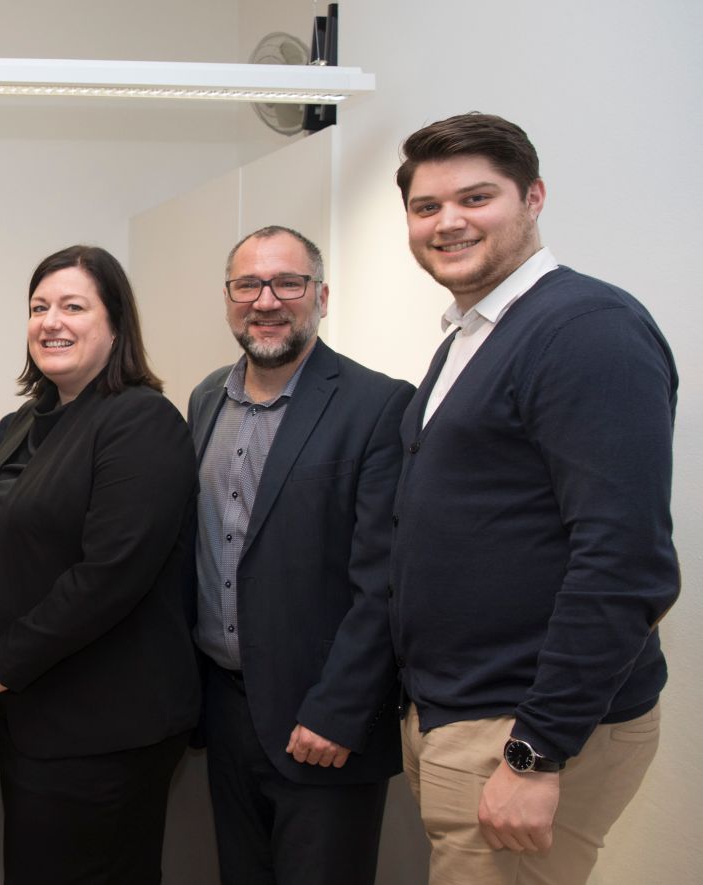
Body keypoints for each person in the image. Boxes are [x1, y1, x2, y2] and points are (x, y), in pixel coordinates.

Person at [390, 112, 678, 885]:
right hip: (462, 715)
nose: (448, 221)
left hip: (520, 727)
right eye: (426, 207)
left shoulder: (587, 329)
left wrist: (536, 747)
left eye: (475, 197)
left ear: (534, 197)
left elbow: (625, 559)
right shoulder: (470, 333)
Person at [0, 244, 198, 884]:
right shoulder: (19, 423)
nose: (51, 321)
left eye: (73, 306)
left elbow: (109, 576)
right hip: (33, 712)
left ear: (115, 324)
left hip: (107, 724)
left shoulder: (142, 421)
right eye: (39, 307)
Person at [187, 226, 412, 884]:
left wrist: (339, 709)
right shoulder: (206, 399)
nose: (266, 300)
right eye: (247, 284)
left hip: (321, 716)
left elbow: (383, 580)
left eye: (288, 282)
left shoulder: (378, 404)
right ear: (228, 297)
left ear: (321, 295)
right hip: (225, 708)